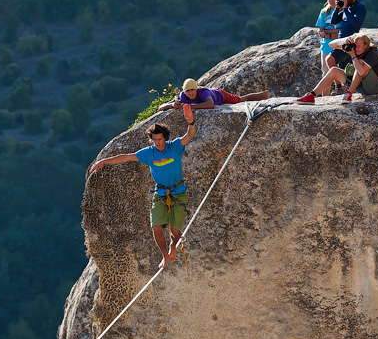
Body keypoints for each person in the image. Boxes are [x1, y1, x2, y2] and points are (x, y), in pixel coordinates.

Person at [87, 107, 196, 268]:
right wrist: (104, 161)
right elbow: (126, 157)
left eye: (160, 139)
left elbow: (190, 135)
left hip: (178, 193)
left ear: (165, 137)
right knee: (156, 228)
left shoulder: (174, 147)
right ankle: (165, 256)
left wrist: (190, 122)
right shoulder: (149, 153)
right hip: (160, 193)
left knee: (175, 232)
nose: (158, 143)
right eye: (155, 140)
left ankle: (173, 247)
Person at [297, 33, 378, 104]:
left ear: (366, 46)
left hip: (375, 87)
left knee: (360, 63)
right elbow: (331, 44)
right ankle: (311, 96)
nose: (356, 48)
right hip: (361, 86)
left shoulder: (372, 54)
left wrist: (353, 55)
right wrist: (345, 40)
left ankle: (349, 94)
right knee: (334, 71)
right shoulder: (354, 50)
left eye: (359, 46)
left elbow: (361, 72)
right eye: (355, 45)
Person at [159, 79, 269, 112]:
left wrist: (189, 107)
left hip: (219, 95)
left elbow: (210, 104)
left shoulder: (203, 93)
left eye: (192, 90)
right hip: (213, 93)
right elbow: (161, 108)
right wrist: (173, 105)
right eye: (188, 91)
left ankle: (263, 94)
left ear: (196, 89)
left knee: (240, 99)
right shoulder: (182, 96)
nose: (190, 93)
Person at [327, 0, 366, 70]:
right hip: (342, 42)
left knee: (330, 59)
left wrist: (345, 8)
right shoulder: (348, 8)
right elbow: (333, 21)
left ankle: (338, 84)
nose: (343, 0)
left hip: (350, 42)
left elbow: (355, 22)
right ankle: (342, 83)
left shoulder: (360, 6)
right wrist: (337, 8)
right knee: (344, 70)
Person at [315, 0, 341, 87]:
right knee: (326, 75)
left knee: (342, 73)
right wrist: (334, 33)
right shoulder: (324, 12)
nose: (331, 0)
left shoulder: (343, 11)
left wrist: (328, 33)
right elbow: (320, 31)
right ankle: (324, 99)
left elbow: (342, 32)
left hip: (340, 47)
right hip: (326, 47)